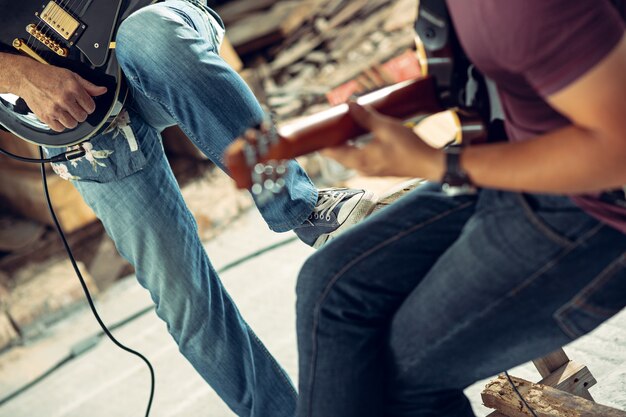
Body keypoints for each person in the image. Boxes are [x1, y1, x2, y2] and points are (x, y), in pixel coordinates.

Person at [0, 1, 377, 416]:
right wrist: (20, 74)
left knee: (150, 38)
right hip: (74, 113)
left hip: (147, 29)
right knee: (186, 302)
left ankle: (301, 209)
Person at [294, 1, 626, 416]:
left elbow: (618, 152)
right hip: (505, 152)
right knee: (328, 287)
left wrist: (434, 163)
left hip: (594, 210)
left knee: (399, 381)